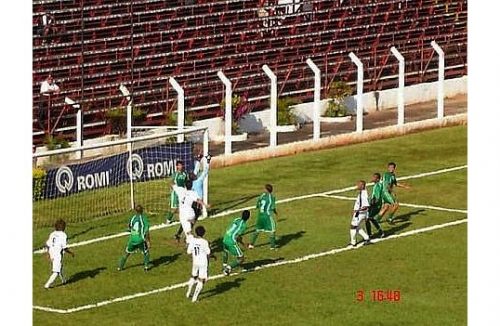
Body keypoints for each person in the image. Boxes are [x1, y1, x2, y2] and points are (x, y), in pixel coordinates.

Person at [186, 226, 215, 302]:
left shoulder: (192, 240)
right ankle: (194, 298)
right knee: (201, 280)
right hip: (203, 263)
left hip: (195, 261)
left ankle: (188, 292)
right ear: (204, 233)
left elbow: (188, 252)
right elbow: (208, 253)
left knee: (193, 276)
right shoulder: (205, 242)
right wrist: (213, 256)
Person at [118, 205, 151, 271]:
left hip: (132, 239)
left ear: (135, 211)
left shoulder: (133, 218)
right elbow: (146, 231)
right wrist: (148, 241)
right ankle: (146, 267)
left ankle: (120, 267)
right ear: (142, 210)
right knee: (146, 252)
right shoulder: (143, 218)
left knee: (127, 253)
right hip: (140, 239)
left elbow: (129, 227)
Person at [44, 219, 74, 289]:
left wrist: (48, 253)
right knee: (56, 272)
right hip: (57, 254)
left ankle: (64, 280)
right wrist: (71, 252)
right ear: (63, 227)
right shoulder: (63, 235)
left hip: (52, 252)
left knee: (59, 266)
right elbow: (64, 247)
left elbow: (47, 244)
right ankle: (47, 285)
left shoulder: (52, 233)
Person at [248, 184, 278, 250]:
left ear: (266, 190)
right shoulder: (271, 197)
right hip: (267, 216)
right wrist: (276, 213)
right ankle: (272, 246)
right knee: (272, 230)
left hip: (260, 215)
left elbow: (258, 203)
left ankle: (251, 244)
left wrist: (258, 207)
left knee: (257, 230)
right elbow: (273, 207)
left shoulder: (262, 195)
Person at [222, 210, 251, 276]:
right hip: (231, 241)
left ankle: (224, 265)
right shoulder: (243, 226)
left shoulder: (237, 219)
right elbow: (237, 237)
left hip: (226, 237)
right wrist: (244, 244)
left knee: (225, 251)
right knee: (241, 258)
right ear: (248, 217)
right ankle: (228, 268)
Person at [349, 180, 372, 247]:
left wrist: (357, 211)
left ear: (362, 186)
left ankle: (353, 243)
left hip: (360, 213)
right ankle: (367, 238)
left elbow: (366, 206)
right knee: (357, 226)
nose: (357, 186)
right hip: (360, 213)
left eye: (359, 185)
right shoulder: (362, 192)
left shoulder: (364, 195)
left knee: (353, 226)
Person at [190, 154, 211, 219]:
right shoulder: (199, 180)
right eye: (193, 175)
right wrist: (208, 161)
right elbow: (205, 171)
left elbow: (196, 170)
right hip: (197, 197)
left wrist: (199, 160)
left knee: (195, 207)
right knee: (197, 208)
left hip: (194, 197)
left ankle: (198, 214)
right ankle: (198, 214)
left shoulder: (192, 181)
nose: (194, 174)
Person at [366, 173, 385, 238]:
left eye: (374, 178)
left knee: (368, 218)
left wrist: (370, 205)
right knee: (370, 218)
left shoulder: (377, 186)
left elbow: (377, 198)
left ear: (377, 179)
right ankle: (380, 232)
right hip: (376, 205)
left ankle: (370, 235)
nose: (372, 178)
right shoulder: (378, 185)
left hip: (376, 206)